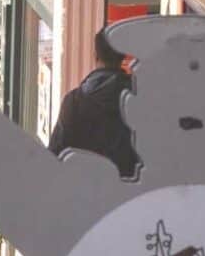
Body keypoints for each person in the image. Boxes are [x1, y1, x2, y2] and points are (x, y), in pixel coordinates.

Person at [47, 30, 139, 177]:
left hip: (89, 192)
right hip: (137, 191)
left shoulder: (74, 103)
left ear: (95, 55)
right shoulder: (140, 96)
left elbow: (54, 158)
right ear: (123, 54)